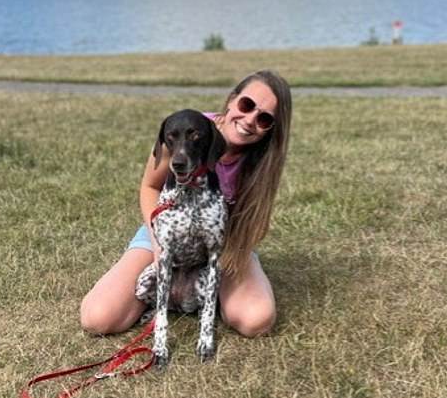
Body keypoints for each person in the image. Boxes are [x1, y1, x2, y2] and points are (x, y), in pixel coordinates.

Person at [80, 69, 292, 338]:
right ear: (232, 100)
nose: (249, 120)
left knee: (256, 320)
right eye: (247, 105)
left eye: (264, 119)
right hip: (166, 233)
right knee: (98, 318)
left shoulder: (263, 160)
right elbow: (150, 187)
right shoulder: (185, 129)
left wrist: (228, 257)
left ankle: (198, 292)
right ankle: (176, 293)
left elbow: (253, 222)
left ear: (271, 129)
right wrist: (159, 244)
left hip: (222, 243)